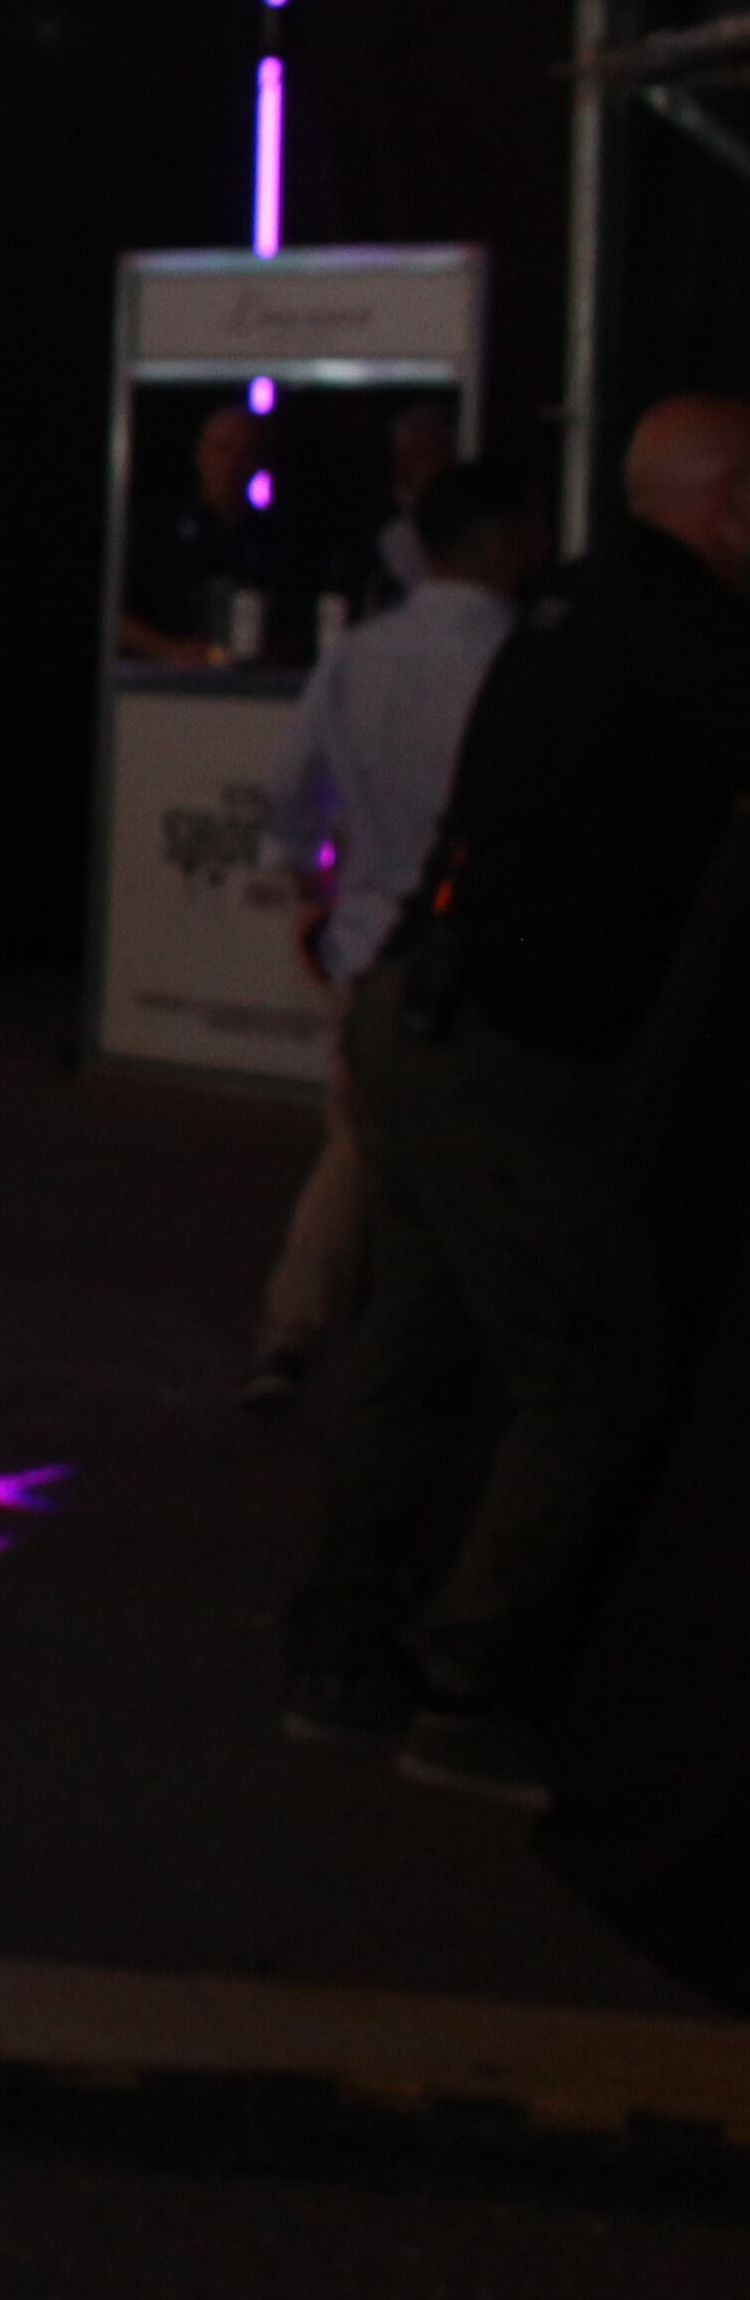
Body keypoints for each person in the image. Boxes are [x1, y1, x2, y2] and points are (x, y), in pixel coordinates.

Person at [284, 394, 750, 1807]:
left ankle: (342, 1656)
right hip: (501, 1048)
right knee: (593, 1371)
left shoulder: (566, 608)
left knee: (412, 1343)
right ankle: (467, 1684)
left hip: (417, 1004)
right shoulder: (686, 633)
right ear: (727, 503)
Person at [241, 455, 529, 1411]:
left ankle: (292, 1337)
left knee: (362, 1149)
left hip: (373, 947)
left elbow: (286, 791)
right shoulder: (520, 658)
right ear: (504, 543)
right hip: (487, 952)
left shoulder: (361, 652)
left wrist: (314, 888)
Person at [120, 398, 305, 665]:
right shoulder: (156, 531)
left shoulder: (277, 541)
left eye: (246, 453)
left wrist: (262, 656)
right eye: (223, 450)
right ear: (201, 453)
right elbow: (117, 616)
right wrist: (173, 651)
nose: (233, 465)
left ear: (260, 463)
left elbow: (299, 631)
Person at [373, 397, 459, 610]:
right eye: (400, 458)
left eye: (418, 457)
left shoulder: (467, 539)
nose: (404, 471)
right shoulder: (391, 540)